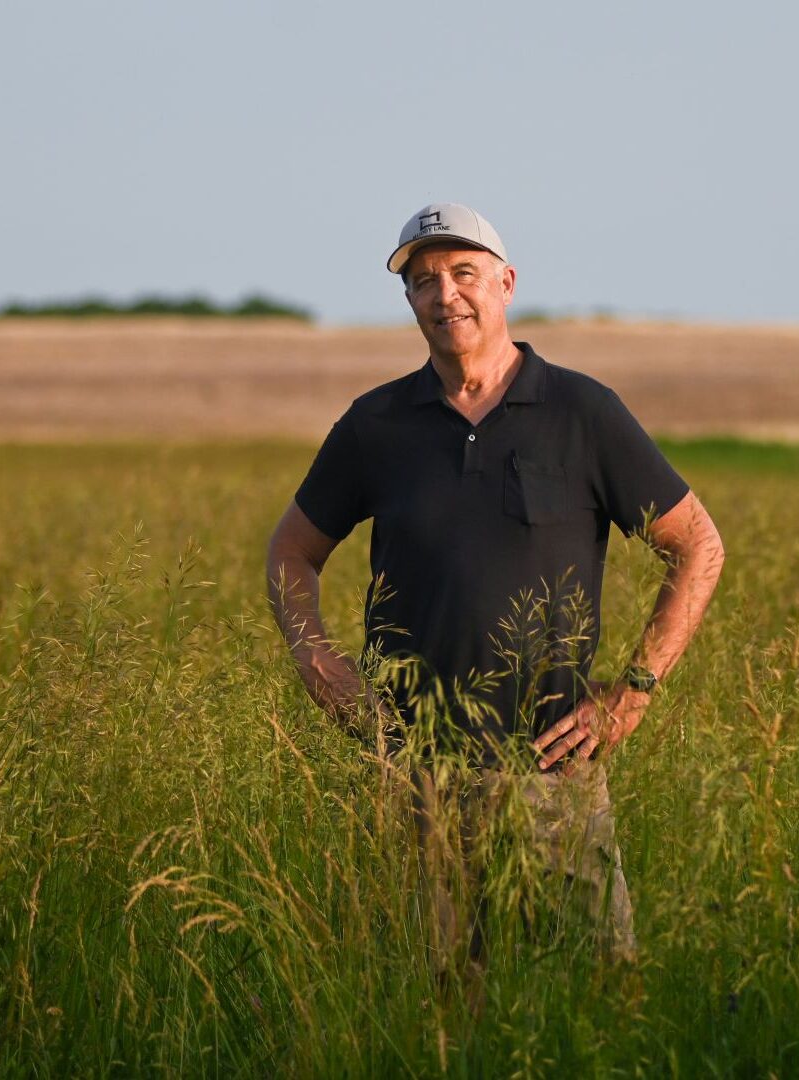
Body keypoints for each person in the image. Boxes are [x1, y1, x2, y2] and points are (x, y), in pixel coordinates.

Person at [266, 202, 724, 974]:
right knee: (433, 1002)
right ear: (409, 302)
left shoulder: (583, 412)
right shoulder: (376, 425)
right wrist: (322, 667)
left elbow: (697, 545)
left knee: (596, 991)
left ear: (506, 284)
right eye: (423, 281)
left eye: (464, 273)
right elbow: (290, 555)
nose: (445, 294)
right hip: (412, 768)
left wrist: (635, 688)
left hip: (553, 771)